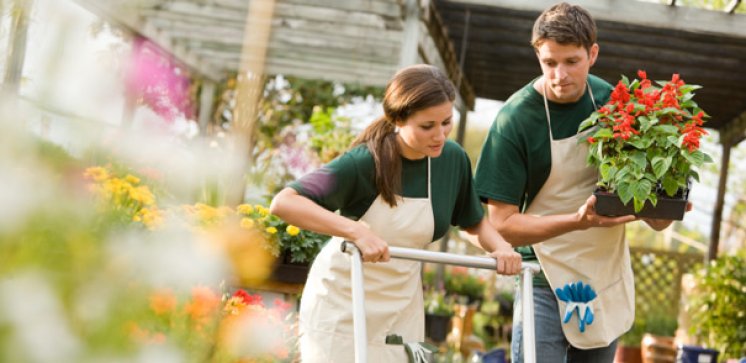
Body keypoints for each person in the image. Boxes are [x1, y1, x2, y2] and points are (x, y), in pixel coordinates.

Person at [270, 64, 522, 362]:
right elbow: (285, 202)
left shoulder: (452, 160)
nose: (440, 135)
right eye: (427, 126)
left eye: (446, 122)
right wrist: (357, 231)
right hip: (342, 303)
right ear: (397, 119)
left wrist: (501, 247)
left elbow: (473, 223)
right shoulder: (365, 162)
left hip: (401, 306)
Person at [473, 3, 678, 362]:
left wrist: (661, 209)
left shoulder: (616, 105)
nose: (560, 75)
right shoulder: (515, 120)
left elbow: (653, 215)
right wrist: (578, 221)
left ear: (593, 54)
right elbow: (502, 225)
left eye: (572, 61)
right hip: (542, 276)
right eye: (549, 62)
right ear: (537, 54)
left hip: (602, 273)